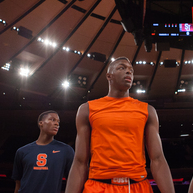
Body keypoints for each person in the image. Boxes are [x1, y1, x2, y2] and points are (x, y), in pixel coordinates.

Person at [65, 57, 175, 193]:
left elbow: (158, 159)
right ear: (108, 76)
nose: (128, 72)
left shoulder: (147, 110)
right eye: (122, 68)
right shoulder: (87, 109)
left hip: (137, 185)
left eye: (131, 70)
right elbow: (80, 162)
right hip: (98, 186)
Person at [12, 110, 74, 193]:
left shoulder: (66, 150)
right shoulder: (22, 151)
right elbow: (18, 183)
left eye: (58, 121)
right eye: (52, 120)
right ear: (41, 123)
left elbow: (73, 180)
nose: (57, 124)